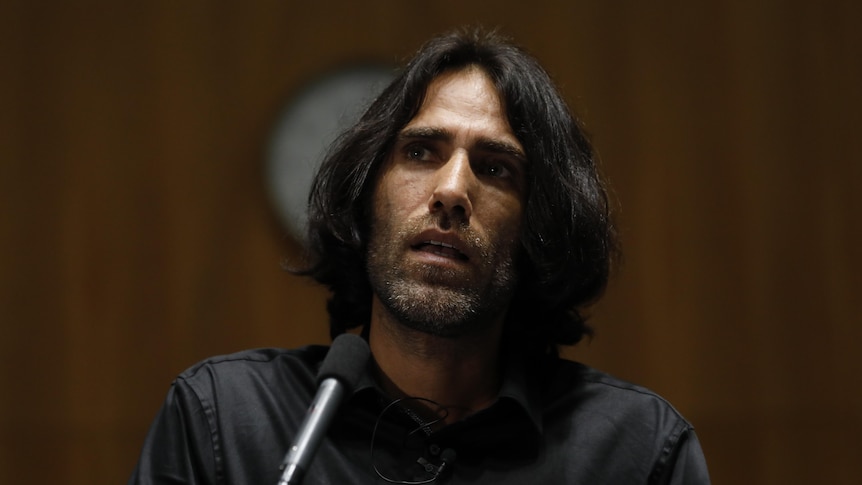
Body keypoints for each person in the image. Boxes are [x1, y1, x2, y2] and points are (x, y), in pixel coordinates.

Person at [130, 28, 710, 484]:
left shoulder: (638, 452)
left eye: (494, 168)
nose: (453, 190)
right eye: (420, 152)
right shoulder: (222, 421)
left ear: (539, 224)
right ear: (367, 198)